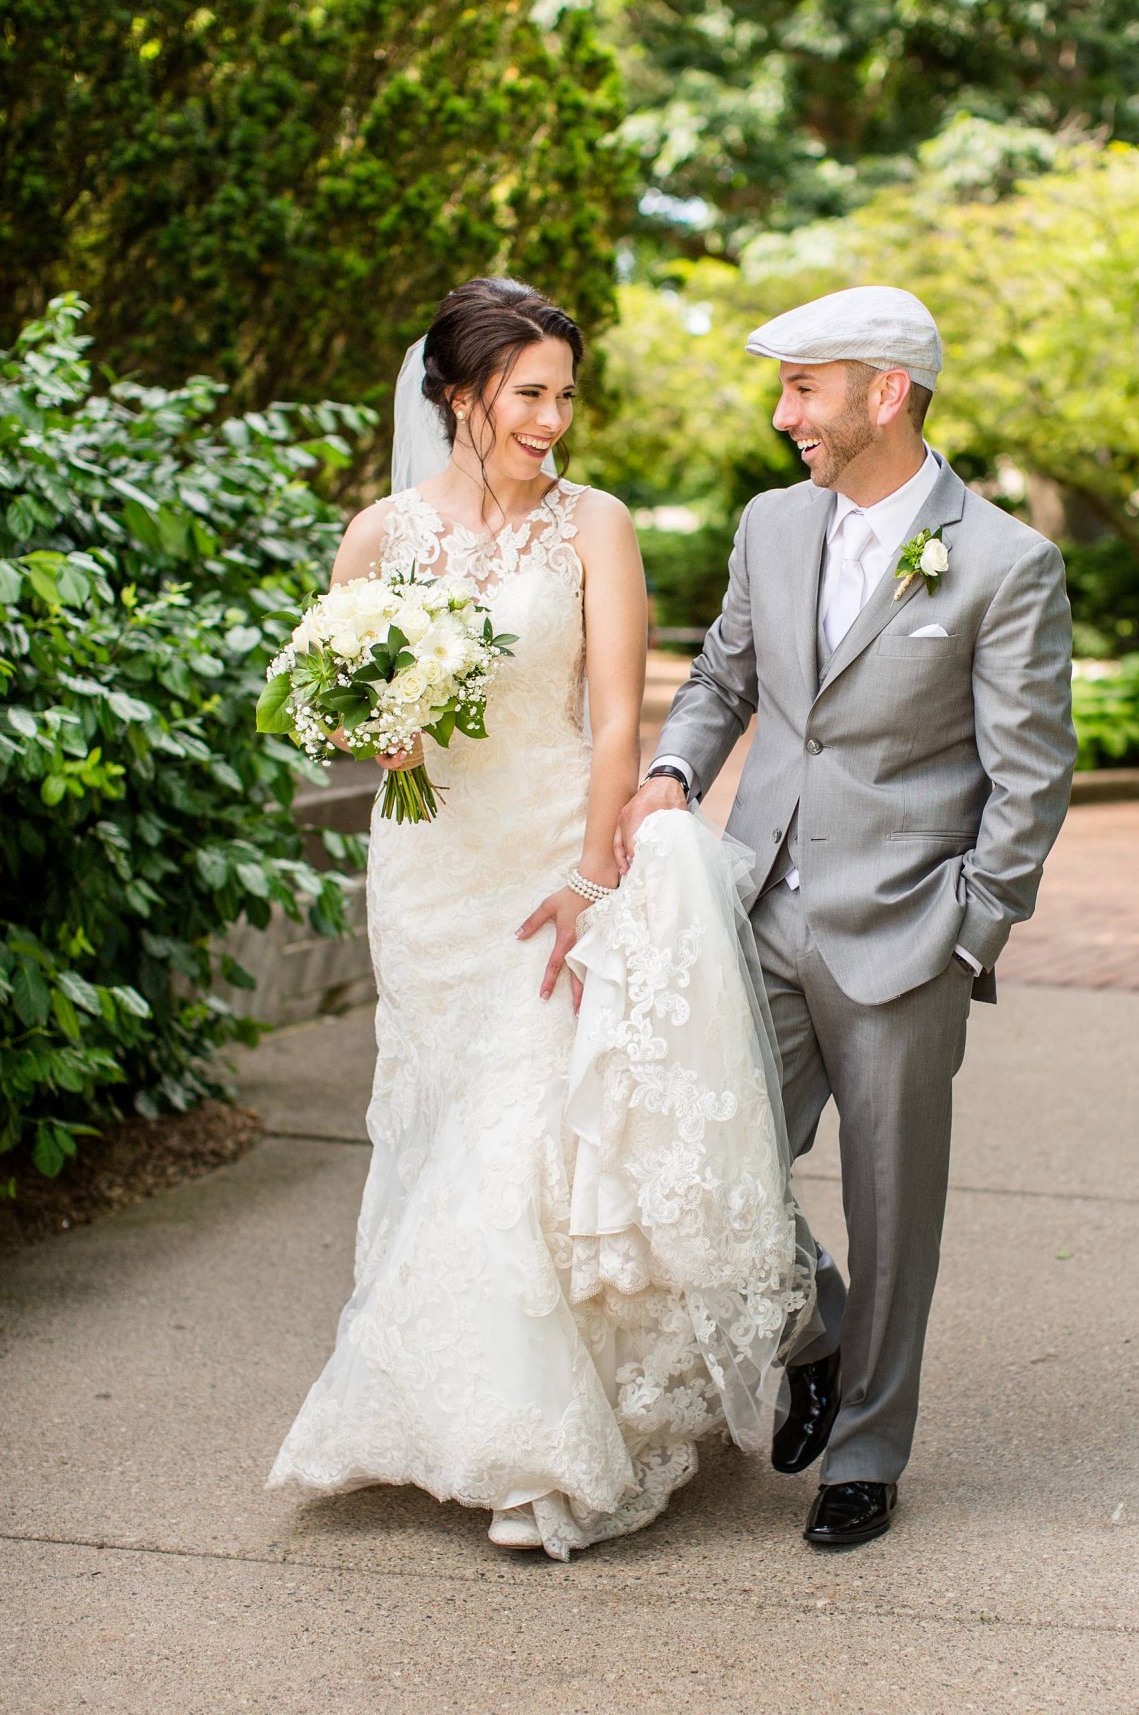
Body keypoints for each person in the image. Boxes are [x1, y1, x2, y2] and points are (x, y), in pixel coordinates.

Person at [265, 278, 809, 1561]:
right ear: (458, 396)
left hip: (546, 859)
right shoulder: (379, 536)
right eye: (528, 393)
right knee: (447, 1121)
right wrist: (370, 731)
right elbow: (324, 706)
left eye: (565, 392)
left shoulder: (595, 525)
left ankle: (540, 1449)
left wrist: (589, 874)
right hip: (428, 872)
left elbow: (618, 711)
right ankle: (445, 1408)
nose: (553, 417)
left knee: (524, 1136)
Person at [617, 285, 1077, 1551]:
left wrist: (969, 931)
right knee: (701, 1158)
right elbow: (724, 673)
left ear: (885, 392)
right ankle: (808, 1326)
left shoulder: (1003, 562)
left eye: (802, 388)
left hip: (905, 933)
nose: (783, 416)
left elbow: (1030, 775)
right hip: (757, 905)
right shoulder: (771, 524)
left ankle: (867, 1451)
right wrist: (671, 773)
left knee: (892, 1207)